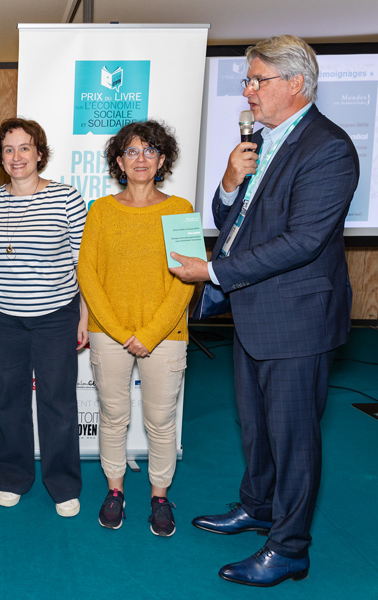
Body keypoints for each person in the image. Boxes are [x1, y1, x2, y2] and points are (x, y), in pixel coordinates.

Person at [170, 36, 359, 587]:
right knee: (255, 425)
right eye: (247, 81)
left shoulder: (328, 147)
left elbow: (303, 240)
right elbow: (239, 218)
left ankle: (290, 547)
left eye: (257, 80)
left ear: (295, 84)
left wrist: (212, 273)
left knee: (294, 436)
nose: (247, 91)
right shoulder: (265, 140)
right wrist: (229, 183)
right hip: (254, 310)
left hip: (298, 318)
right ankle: (258, 506)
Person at [77, 120, 193, 536]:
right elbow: (87, 273)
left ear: (162, 160)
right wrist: (116, 329)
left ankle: (160, 497)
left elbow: (188, 279)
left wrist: (149, 334)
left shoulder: (180, 210)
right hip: (109, 335)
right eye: (131, 151)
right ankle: (115, 491)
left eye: (149, 151)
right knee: (112, 416)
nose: (140, 159)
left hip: (165, 336)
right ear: (118, 161)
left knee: (161, 422)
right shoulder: (101, 211)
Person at [0, 118, 88, 517]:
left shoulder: (67, 198)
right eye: (8, 149)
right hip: (4, 317)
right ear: (0, 157)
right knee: (10, 401)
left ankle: (63, 484)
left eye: (25, 148)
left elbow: (81, 262)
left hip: (56, 316)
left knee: (58, 401)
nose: (16, 156)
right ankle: (14, 478)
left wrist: (84, 315)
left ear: (39, 152)